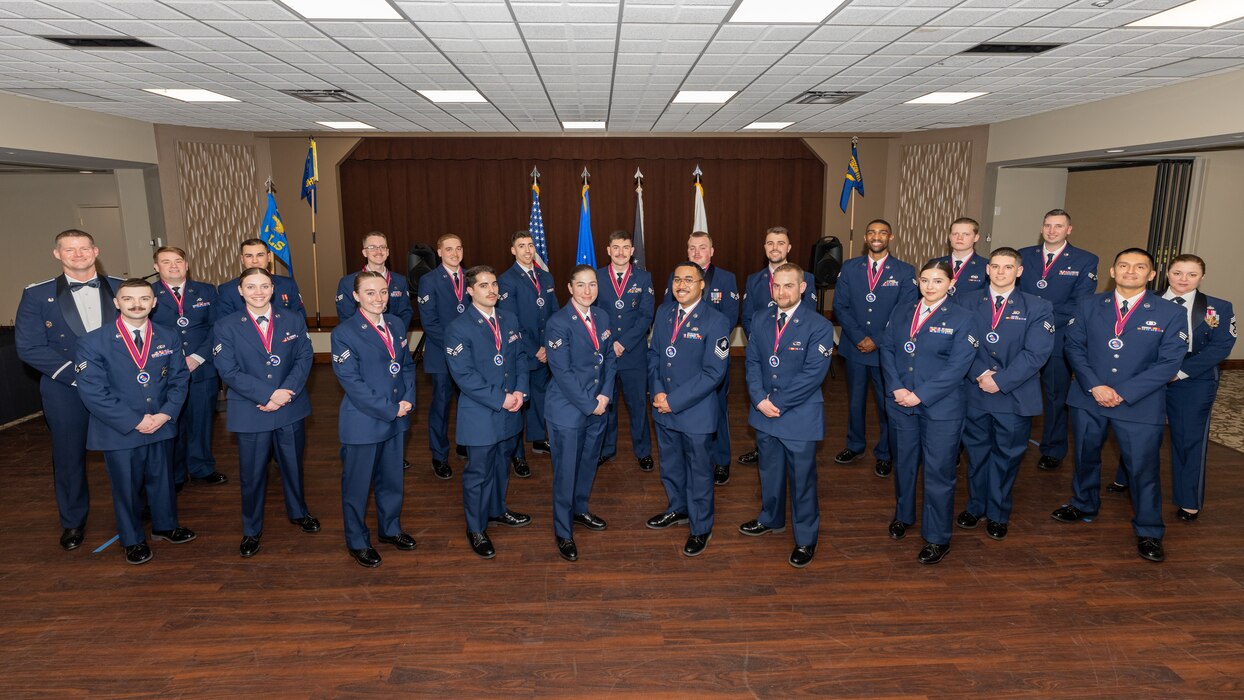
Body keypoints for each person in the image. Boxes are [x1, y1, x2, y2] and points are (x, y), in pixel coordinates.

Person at [1051, 249, 1187, 563]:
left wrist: (1123, 392)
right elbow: (1074, 346)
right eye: (1124, 265)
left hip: (1139, 403)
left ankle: (1149, 530)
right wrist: (1095, 385)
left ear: (1151, 275)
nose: (1130, 271)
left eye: (1140, 267)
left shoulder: (1169, 312)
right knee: (1085, 456)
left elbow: (1169, 363)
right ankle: (1083, 504)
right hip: (1089, 396)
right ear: (1113, 271)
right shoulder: (1088, 305)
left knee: (1143, 469)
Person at [1106, 255, 1237, 519]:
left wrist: (1179, 372)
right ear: (1167, 274)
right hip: (1147, 376)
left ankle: (1189, 499)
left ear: (1202, 277)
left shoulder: (1218, 307)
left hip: (1193, 378)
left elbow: (1222, 346)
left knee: (1189, 439)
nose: (1183, 280)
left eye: (1191, 274)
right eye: (1178, 273)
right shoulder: (1144, 300)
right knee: (1137, 433)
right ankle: (1126, 477)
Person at [74, 278, 195, 565]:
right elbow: (93, 391)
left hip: (161, 422)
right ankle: (132, 540)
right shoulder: (93, 341)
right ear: (117, 303)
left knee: (162, 480)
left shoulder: (168, 337)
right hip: (120, 429)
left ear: (154, 303)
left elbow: (179, 379)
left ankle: (166, 526)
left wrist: (165, 414)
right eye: (128, 298)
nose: (136, 304)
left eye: (144, 298)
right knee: (126, 487)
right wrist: (135, 420)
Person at [16, 229, 122, 550]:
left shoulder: (121, 287)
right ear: (57, 254)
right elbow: (30, 347)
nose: (78, 254)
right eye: (69, 249)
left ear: (96, 250)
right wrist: (77, 375)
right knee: (68, 456)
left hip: (117, 386)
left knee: (125, 452)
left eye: (84, 248)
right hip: (65, 387)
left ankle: (135, 509)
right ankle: (73, 521)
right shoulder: (37, 295)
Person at [213, 268, 320, 560]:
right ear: (240, 291)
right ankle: (251, 529)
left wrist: (285, 392)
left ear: (273, 289)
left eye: (263, 286)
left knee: (293, 465)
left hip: (290, 405)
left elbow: (304, 357)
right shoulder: (226, 325)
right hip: (251, 409)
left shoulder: (293, 319)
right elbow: (228, 370)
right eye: (251, 286)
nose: (258, 292)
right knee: (252, 474)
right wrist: (267, 395)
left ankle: (299, 512)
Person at [879, 260, 980, 565]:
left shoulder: (964, 318)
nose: (930, 286)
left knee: (939, 473)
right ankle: (904, 515)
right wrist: (897, 388)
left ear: (951, 284)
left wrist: (920, 395)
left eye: (938, 281)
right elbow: (887, 349)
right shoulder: (901, 311)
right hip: (901, 404)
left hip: (941, 408)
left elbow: (957, 367)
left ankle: (937, 537)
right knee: (905, 463)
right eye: (925, 280)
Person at [739, 263, 834, 568]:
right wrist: (758, 398)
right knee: (770, 472)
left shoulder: (818, 326)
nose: (782, 292)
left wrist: (775, 402)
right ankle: (771, 518)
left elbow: (812, 375)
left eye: (788, 286)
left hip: (799, 415)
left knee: (803, 480)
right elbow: (751, 362)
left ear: (802, 287)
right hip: (764, 411)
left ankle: (806, 538)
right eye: (777, 286)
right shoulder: (760, 318)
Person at [958, 248, 1055, 541]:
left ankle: (998, 513)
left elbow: (1037, 353)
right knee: (976, 455)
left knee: (1006, 456)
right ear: (987, 270)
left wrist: (1000, 381)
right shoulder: (965, 301)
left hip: (1014, 395)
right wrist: (979, 374)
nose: (1001, 272)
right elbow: (960, 344)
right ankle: (975, 506)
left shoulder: (1038, 306)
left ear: (1019, 271)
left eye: (1008, 267)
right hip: (975, 392)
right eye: (996, 266)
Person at [330, 271, 417, 568]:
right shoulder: (344, 333)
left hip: (397, 417)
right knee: (357, 486)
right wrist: (390, 408)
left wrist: (408, 399)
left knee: (392, 481)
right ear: (356, 296)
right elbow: (352, 383)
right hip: (364, 422)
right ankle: (357, 541)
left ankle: (390, 529)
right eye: (370, 293)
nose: (378, 298)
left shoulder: (395, 323)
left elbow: (405, 366)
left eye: (383, 292)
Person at [445, 265, 532, 560]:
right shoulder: (458, 327)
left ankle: (496, 510)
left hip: (510, 410)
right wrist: (502, 399)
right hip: (481, 414)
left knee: (501, 465)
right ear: (470, 291)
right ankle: (476, 527)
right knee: (478, 473)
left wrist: (520, 391)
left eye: (494, 284)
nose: (492, 290)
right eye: (483, 285)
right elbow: (465, 377)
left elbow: (520, 358)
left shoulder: (509, 319)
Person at [645, 261, 730, 558]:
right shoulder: (664, 312)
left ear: (701, 284)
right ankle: (677, 508)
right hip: (663, 407)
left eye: (688, 280)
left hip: (694, 412)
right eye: (677, 279)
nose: (681, 285)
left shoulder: (716, 321)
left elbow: (713, 374)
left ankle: (700, 526)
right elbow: (655, 354)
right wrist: (657, 391)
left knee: (699, 472)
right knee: (670, 465)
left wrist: (673, 401)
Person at [832, 219, 919, 478]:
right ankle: (855, 445)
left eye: (882, 232)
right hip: (855, 347)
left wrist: (877, 340)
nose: (876, 236)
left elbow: (905, 312)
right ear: (865, 237)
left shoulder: (904, 271)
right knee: (855, 402)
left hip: (887, 351)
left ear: (890, 237)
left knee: (886, 405)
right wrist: (860, 337)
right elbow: (840, 306)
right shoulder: (850, 268)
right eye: (871, 232)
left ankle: (885, 453)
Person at [545, 265, 617, 562]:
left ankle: (580, 509)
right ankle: (563, 531)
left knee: (588, 464)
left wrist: (605, 395)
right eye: (581, 285)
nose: (588, 291)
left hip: (598, 405)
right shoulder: (558, 322)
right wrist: (590, 404)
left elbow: (610, 358)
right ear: (569, 288)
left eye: (592, 285)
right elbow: (562, 372)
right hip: (568, 410)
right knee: (566, 471)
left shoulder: (602, 316)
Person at [1017, 209, 1099, 471]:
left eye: (1059, 226)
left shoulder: (1085, 260)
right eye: (1048, 225)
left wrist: (1042, 322)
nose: (1052, 231)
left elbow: (1081, 302)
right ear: (1041, 228)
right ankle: (1015, 441)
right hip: (1021, 336)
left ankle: (1052, 448)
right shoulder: (1023, 255)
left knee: (1055, 395)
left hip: (1058, 337)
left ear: (1069, 230)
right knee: (1018, 390)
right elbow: (1012, 292)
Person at [735, 226, 817, 479]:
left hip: (794, 355)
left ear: (789, 247)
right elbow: (748, 317)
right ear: (765, 247)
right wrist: (762, 343)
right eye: (770, 243)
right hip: (763, 352)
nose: (775, 248)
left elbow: (809, 321)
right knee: (764, 414)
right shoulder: (754, 279)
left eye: (780, 243)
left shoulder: (807, 278)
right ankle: (763, 448)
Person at [150, 246, 227, 490]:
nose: (173, 266)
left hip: (201, 369)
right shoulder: (148, 293)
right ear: (156, 267)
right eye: (166, 261)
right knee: (172, 422)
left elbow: (217, 327)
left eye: (178, 261)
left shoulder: (206, 290)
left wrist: (197, 356)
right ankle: (175, 474)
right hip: (165, 373)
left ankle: (202, 467)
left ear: (186, 265)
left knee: (202, 419)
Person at [663, 232, 738, 483]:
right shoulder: (677, 278)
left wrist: (707, 347)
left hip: (712, 360)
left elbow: (730, 316)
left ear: (712, 251)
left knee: (717, 409)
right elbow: (668, 318)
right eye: (692, 248)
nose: (697, 252)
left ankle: (721, 460)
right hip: (682, 362)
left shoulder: (726, 278)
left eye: (702, 247)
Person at [594, 230, 656, 473]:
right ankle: (606, 449)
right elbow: (594, 315)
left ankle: (643, 452)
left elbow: (645, 316)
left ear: (632, 251)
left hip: (633, 355)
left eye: (626, 247)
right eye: (616, 247)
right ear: (608, 250)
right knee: (606, 405)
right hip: (605, 354)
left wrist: (624, 343)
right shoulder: (597, 277)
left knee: (638, 405)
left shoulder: (643, 278)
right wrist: (610, 345)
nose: (621, 252)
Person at [498, 230, 558, 477]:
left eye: (530, 245)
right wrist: (536, 349)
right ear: (513, 250)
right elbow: (512, 321)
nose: (527, 250)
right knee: (519, 401)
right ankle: (517, 455)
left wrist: (548, 346)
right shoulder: (506, 280)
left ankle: (536, 438)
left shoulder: (545, 276)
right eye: (521, 245)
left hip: (545, 350)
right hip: (523, 351)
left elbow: (554, 314)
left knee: (540, 395)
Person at [417, 234, 469, 480]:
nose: (454, 253)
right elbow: (430, 323)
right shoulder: (428, 281)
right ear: (439, 252)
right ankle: (439, 455)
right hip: (442, 355)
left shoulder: (471, 278)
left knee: (469, 403)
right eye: (449, 249)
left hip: (469, 356)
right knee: (440, 406)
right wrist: (454, 347)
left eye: (458, 248)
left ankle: (465, 443)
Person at [335, 231, 413, 328]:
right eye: (372, 247)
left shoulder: (400, 281)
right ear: (364, 253)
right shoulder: (347, 283)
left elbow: (405, 313)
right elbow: (346, 318)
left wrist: (394, 336)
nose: (379, 251)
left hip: (392, 338)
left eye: (382, 247)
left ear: (387, 252)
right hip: (361, 339)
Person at [215, 238, 306, 320]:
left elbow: (299, 318)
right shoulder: (227, 289)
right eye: (249, 256)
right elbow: (225, 326)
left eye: (260, 255)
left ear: (269, 257)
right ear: (242, 259)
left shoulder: (288, 284)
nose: (255, 260)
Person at [931, 217, 989, 303]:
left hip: (970, 314)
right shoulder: (935, 264)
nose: (959, 238)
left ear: (976, 238)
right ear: (950, 237)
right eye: (955, 234)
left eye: (966, 234)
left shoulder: (986, 266)